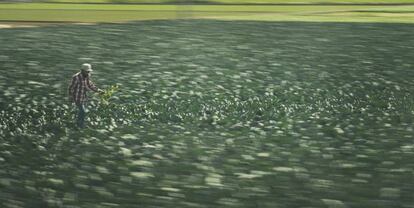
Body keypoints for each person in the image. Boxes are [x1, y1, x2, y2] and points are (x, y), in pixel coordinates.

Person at [68, 63, 103, 128]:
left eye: (89, 71)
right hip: (77, 97)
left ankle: (78, 122)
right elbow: (71, 87)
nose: (88, 73)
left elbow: (90, 85)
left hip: (83, 97)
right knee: (83, 111)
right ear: (82, 70)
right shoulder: (76, 77)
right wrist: (70, 96)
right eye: (87, 71)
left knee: (81, 111)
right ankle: (79, 125)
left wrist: (99, 90)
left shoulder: (87, 76)